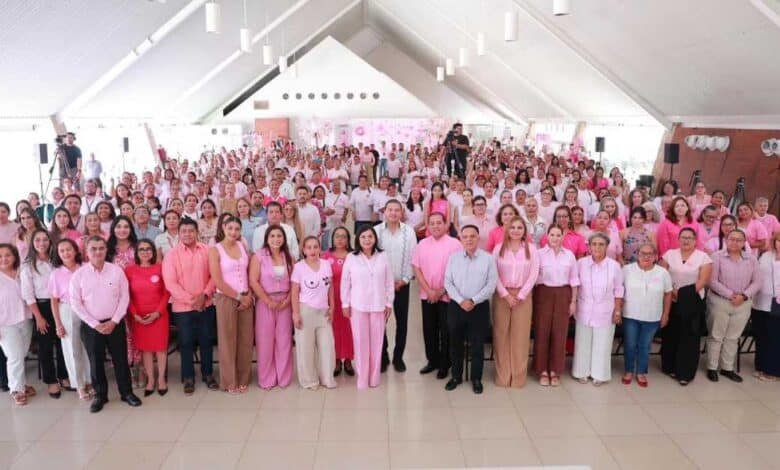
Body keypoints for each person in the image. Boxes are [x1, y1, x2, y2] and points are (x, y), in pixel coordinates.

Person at [69, 236, 142, 413]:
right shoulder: (79, 275)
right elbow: (75, 303)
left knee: (121, 359)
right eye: (93, 249)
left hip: (114, 323)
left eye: (101, 248)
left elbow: (124, 297)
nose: (98, 252)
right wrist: (95, 324)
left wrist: (114, 320)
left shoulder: (116, 271)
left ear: (106, 250)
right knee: (96, 361)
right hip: (92, 326)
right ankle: (100, 396)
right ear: (86, 252)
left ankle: (126, 393)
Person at [161, 218, 219, 395]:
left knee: (206, 340)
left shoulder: (208, 250)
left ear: (197, 232)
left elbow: (215, 275)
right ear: (179, 233)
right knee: (185, 342)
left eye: (191, 231)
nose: (187, 234)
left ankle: (208, 374)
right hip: (183, 308)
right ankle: (188, 377)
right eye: (184, 231)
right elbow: (170, 283)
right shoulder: (171, 255)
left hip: (206, 304)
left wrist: (205, 295)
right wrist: (193, 300)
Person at [443, 224, 498, 394]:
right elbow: (447, 282)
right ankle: (456, 376)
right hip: (456, 306)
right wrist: (461, 301)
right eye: (465, 237)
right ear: (460, 239)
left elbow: (491, 285)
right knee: (455, 343)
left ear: (478, 238)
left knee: (477, 345)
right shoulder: (453, 258)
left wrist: (473, 300)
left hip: (479, 307)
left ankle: (476, 378)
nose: (468, 240)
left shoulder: (488, 259)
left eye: (472, 236)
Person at [341, 225, 395, 389]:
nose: (367, 240)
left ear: (375, 239)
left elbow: (389, 281)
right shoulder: (351, 257)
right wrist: (345, 303)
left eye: (370, 236)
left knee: (377, 343)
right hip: (358, 306)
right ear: (358, 239)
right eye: (363, 237)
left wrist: (389, 303)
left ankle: (374, 377)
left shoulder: (383, 256)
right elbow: (345, 282)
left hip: (378, 305)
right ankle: (363, 378)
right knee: (360, 342)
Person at [706, 229, 761, 383]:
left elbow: (757, 282)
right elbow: (712, 280)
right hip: (720, 301)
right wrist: (730, 295)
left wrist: (743, 296)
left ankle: (727, 368)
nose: (735, 242)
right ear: (726, 240)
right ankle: (712, 367)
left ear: (744, 243)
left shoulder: (751, 259)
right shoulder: (716, 257)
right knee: (716, 335)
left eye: (739, 240)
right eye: (732, 239)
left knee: (733, 337)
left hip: (743, 303)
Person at [659, 228, 712, 385]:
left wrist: (681, 294)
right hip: (670, 298)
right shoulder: (669, 254)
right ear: (678, 239)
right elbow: (661, 275)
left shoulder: (704, 257)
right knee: (670, 334)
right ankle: (669, 367)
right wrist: (671, 292)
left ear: (695, 240)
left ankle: (685, 373)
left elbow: (703, 281)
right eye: (683, 237)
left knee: (689, 337)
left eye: (689, 238)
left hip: (692, 301)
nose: (686, 240)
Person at [412, 213, 462, 378]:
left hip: (448, 295)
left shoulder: (455, 244)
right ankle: (432, 360)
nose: (435, 226)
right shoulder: (422, 244)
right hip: (427, 295)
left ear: (446, 224)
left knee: (446, 330)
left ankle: (445, 364)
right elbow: (416, 268)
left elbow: (457, 271)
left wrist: (441, 291)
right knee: (429, 329)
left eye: (439, 223)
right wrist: (429, 290)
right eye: (432, 223)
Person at [572, 233, 625, 386]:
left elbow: (619, 290)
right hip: (584, 309)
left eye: (601, 244)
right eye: (594, 244)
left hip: (606, 310)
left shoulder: (614, 266)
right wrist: (574, 302)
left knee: (603, 344)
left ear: (607, 246)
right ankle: (581, 372)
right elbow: (575, 284)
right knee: (582, 342)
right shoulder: (581, 263)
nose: (597, 247)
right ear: (589, 246)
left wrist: (617, 310)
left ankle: (599, 374)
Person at [21, 229, 69, 398]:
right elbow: (28, 295)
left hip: (61, 305)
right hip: (41, 307)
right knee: (46, 346)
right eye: (37, 240)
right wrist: (39, 317)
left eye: (45, 240)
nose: (42, 243)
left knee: (63, 342)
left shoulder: (57, 261)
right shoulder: (28, 266)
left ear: (50, 242)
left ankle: (64, 376)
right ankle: (51, 381)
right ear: (32, 244)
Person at [492, 216, 539, 388]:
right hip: (502, 295)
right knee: (501, 335)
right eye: (513, 227)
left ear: (524, 231)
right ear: (507, 229)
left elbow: (534, 273)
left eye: (520, 227)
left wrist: (521, 295)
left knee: (520, 337)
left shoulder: (531, 249)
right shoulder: (498, 248)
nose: (516, 231)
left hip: (523, 296)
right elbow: (493, 273)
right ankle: (503, 376)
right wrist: (505, 294)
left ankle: (518, 377)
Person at [209, 216, 253, 394]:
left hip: (246, 297)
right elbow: (217, 280)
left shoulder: (242, 246)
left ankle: (243, 378)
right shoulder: (215, 250)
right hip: (226, 298)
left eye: (237, 229)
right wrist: (238, 297)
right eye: (230, 228)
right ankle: (229, 381)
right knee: (228, 340)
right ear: (223, 228)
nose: (233, 232)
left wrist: (248, 295)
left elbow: (248, 272)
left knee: (245, 340)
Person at [533, 225, 579, 387]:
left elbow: (574, 280)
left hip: (563, 294)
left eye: (558, 235)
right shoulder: (539, 254)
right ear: (547, 236)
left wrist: (573, 301)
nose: (555, 238)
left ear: (563, 237)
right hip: (543, 293)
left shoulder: (569, 255)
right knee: (542, 332)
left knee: (560, 333)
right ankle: (542, 370)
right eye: (552, 234)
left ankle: (555, 370)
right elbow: (533, 277)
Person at [374, 199, 417, 373]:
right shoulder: (376, 231)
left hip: (402, 285)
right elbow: (372, 257)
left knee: (402, 322)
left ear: (402, 213)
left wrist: (405, 279)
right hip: (380, 286)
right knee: (380, 322)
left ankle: (398, 357)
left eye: (396, 210)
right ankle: (383, 356)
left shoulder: (409, 232)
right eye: (390, 209)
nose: (393, 213)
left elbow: (413, 257)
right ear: (384, 212)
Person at [621, 243, 672, 387]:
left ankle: (641, 372)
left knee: (645, 345)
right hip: (630, 315)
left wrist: (666, 314)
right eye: (643, 253)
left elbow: (668, 294)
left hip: (652, 316)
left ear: (655, 256)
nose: (646, 257)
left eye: (650, 254)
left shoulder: (662, 273)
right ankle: (628, 371)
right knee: (630, 344)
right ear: (637, 255)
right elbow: (619, 291)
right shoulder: (627, 270)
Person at [249, 225, 294, 389]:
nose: (276, 239)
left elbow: (295, 282)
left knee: (284, 341)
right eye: (272, 236)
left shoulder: (289, 256)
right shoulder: (259, 256)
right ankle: (267, 378)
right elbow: (253, 281)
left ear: (284, 239)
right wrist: (268, 301)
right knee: (265, 341)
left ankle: (283, 377)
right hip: (265, 302)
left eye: (279, 236)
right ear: (267, 238)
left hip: (285, 303)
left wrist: (288, 300)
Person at [125, 239, 171, 396]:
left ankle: (161, 379)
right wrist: (134, 314)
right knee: (146, 350)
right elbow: (126, 295)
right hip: (139, 317)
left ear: (153, 252)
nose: (145, 252)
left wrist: (158, 312)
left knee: (160, 348)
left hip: (159, 314)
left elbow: (166, 292)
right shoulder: (129, 270)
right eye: (141, 249)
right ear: (136, 253)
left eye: (148, 249)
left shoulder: (161, 268)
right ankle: (151, 379)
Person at [290, 236, 337, 389]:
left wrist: (332, 307)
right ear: (303, 250)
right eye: (309, 247)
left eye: (315, 247)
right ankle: (309, 380)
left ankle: (327, 378)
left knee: (327, 346)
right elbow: (294, 292)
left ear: (319, 249)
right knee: (305, 347)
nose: (312, 250)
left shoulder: (326, 264)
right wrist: (296, 313)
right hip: (305, 311)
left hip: (323, 312)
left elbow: (330, 288)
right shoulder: (299, 267)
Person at [49, 238, 92, 400]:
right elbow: (54, 300)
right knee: (72, 349)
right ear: (58, 254)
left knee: (88, 347)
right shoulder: (56, 273)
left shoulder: (86, 268)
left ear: (75, 251)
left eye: (69, 249)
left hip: (88, 309)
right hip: (67, 310)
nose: (66, 253)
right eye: (62, 250)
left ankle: (90, 381)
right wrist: (58, 324)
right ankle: (79, 384)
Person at [0, 244, 34, 406]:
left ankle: (20, 384)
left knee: (22, 354)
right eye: (0, 256)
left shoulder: (22, 273)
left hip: (25, 319)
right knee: (14, 357)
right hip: (5, 324)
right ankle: (16, 389)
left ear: (15, 256)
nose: (4, 259)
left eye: (8, 255)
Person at [323, 227, 355, 377]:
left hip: (350, 298)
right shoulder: (325, 256)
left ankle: (348, 359)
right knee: (333, 329)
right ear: (332, 239)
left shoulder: (354, 256)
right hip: (332, 298)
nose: (340, 239)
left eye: (343, 236)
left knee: (349, 329)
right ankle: (336, 360)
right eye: (337, 236)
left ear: (348, 239)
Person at [753, 232, 780, 380]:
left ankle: (773, 371)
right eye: (778, 241)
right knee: (761, 335)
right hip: (760, 301)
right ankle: (761, 366)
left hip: (777, 304)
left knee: (775, 337)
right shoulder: (765, 256)